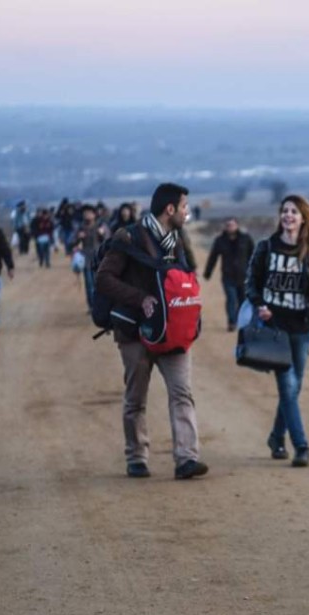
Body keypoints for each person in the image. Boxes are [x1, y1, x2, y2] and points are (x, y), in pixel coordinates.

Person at [96, 183, 208, 480]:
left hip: (171, 333)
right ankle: (136, 457)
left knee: (182, 393)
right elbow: (103, 279)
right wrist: (140, 298)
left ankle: (186, 458)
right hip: (134, 332)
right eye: (184, 207)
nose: (187, 212)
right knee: (136, 398)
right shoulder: (128, 236)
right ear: (169, 209)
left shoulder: (176, 240)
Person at [245, 195, 309, 467]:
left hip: (302, 328)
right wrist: (260, 305)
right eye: (285, 211)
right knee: (288, 387)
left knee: (293, 388)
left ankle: (275, 437)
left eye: (294, 211)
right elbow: (251, 283)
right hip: (275, 329)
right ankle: (301, 446)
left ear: (304, 217)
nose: (288, 215)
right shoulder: (267, 247)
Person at [203, 217, 255, 331]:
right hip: (228, 276)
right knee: (231, 299)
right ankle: (232, 322)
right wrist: (208, 272)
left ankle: (243, 322)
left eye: (232, 225)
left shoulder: (245, 239)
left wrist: (257, 272)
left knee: (243, 301)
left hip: (244, 276)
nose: (230, 227)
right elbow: (213, 257)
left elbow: (254, 256)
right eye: (227, 225)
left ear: (237, 225)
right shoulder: (220, 240)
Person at [70, 204, 103, 312]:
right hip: (86, 258)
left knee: (99, 284)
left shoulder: (100, 226)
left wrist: (101, 235)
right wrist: (78, 238)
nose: (87, 215)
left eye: (89, 213)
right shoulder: (80, 228)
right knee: (89, 284)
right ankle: (92, 306)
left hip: (99, 258)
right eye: (85, 213)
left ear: (94, 215)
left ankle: (100, 305)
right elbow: (72, 242)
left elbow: (107, 241)